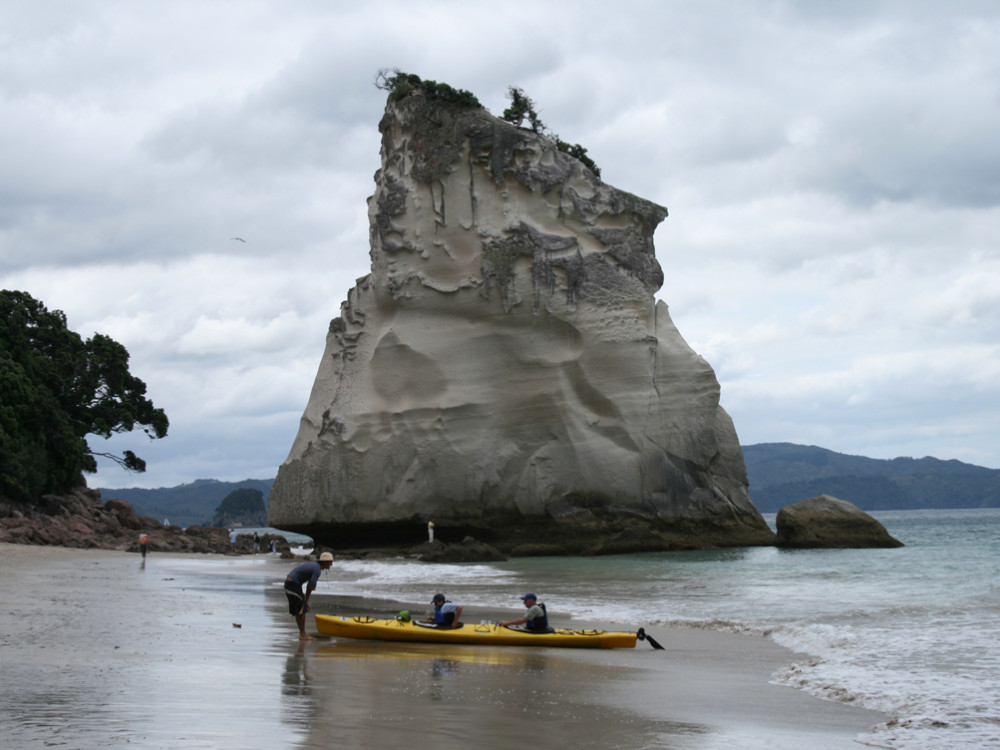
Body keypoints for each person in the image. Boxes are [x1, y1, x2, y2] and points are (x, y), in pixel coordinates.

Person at [285, 552, 334, 640]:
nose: (331, 564)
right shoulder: (317, 570)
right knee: (301, 610)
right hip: (292, 584)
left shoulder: (315, 566)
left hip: (292, 584)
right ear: (325, 562)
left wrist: (305, 601)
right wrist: (306, 601)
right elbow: (310, 587)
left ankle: (302, 633)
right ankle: (303, 634)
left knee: (300, 610)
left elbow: (309, 587)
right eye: (330, 562)